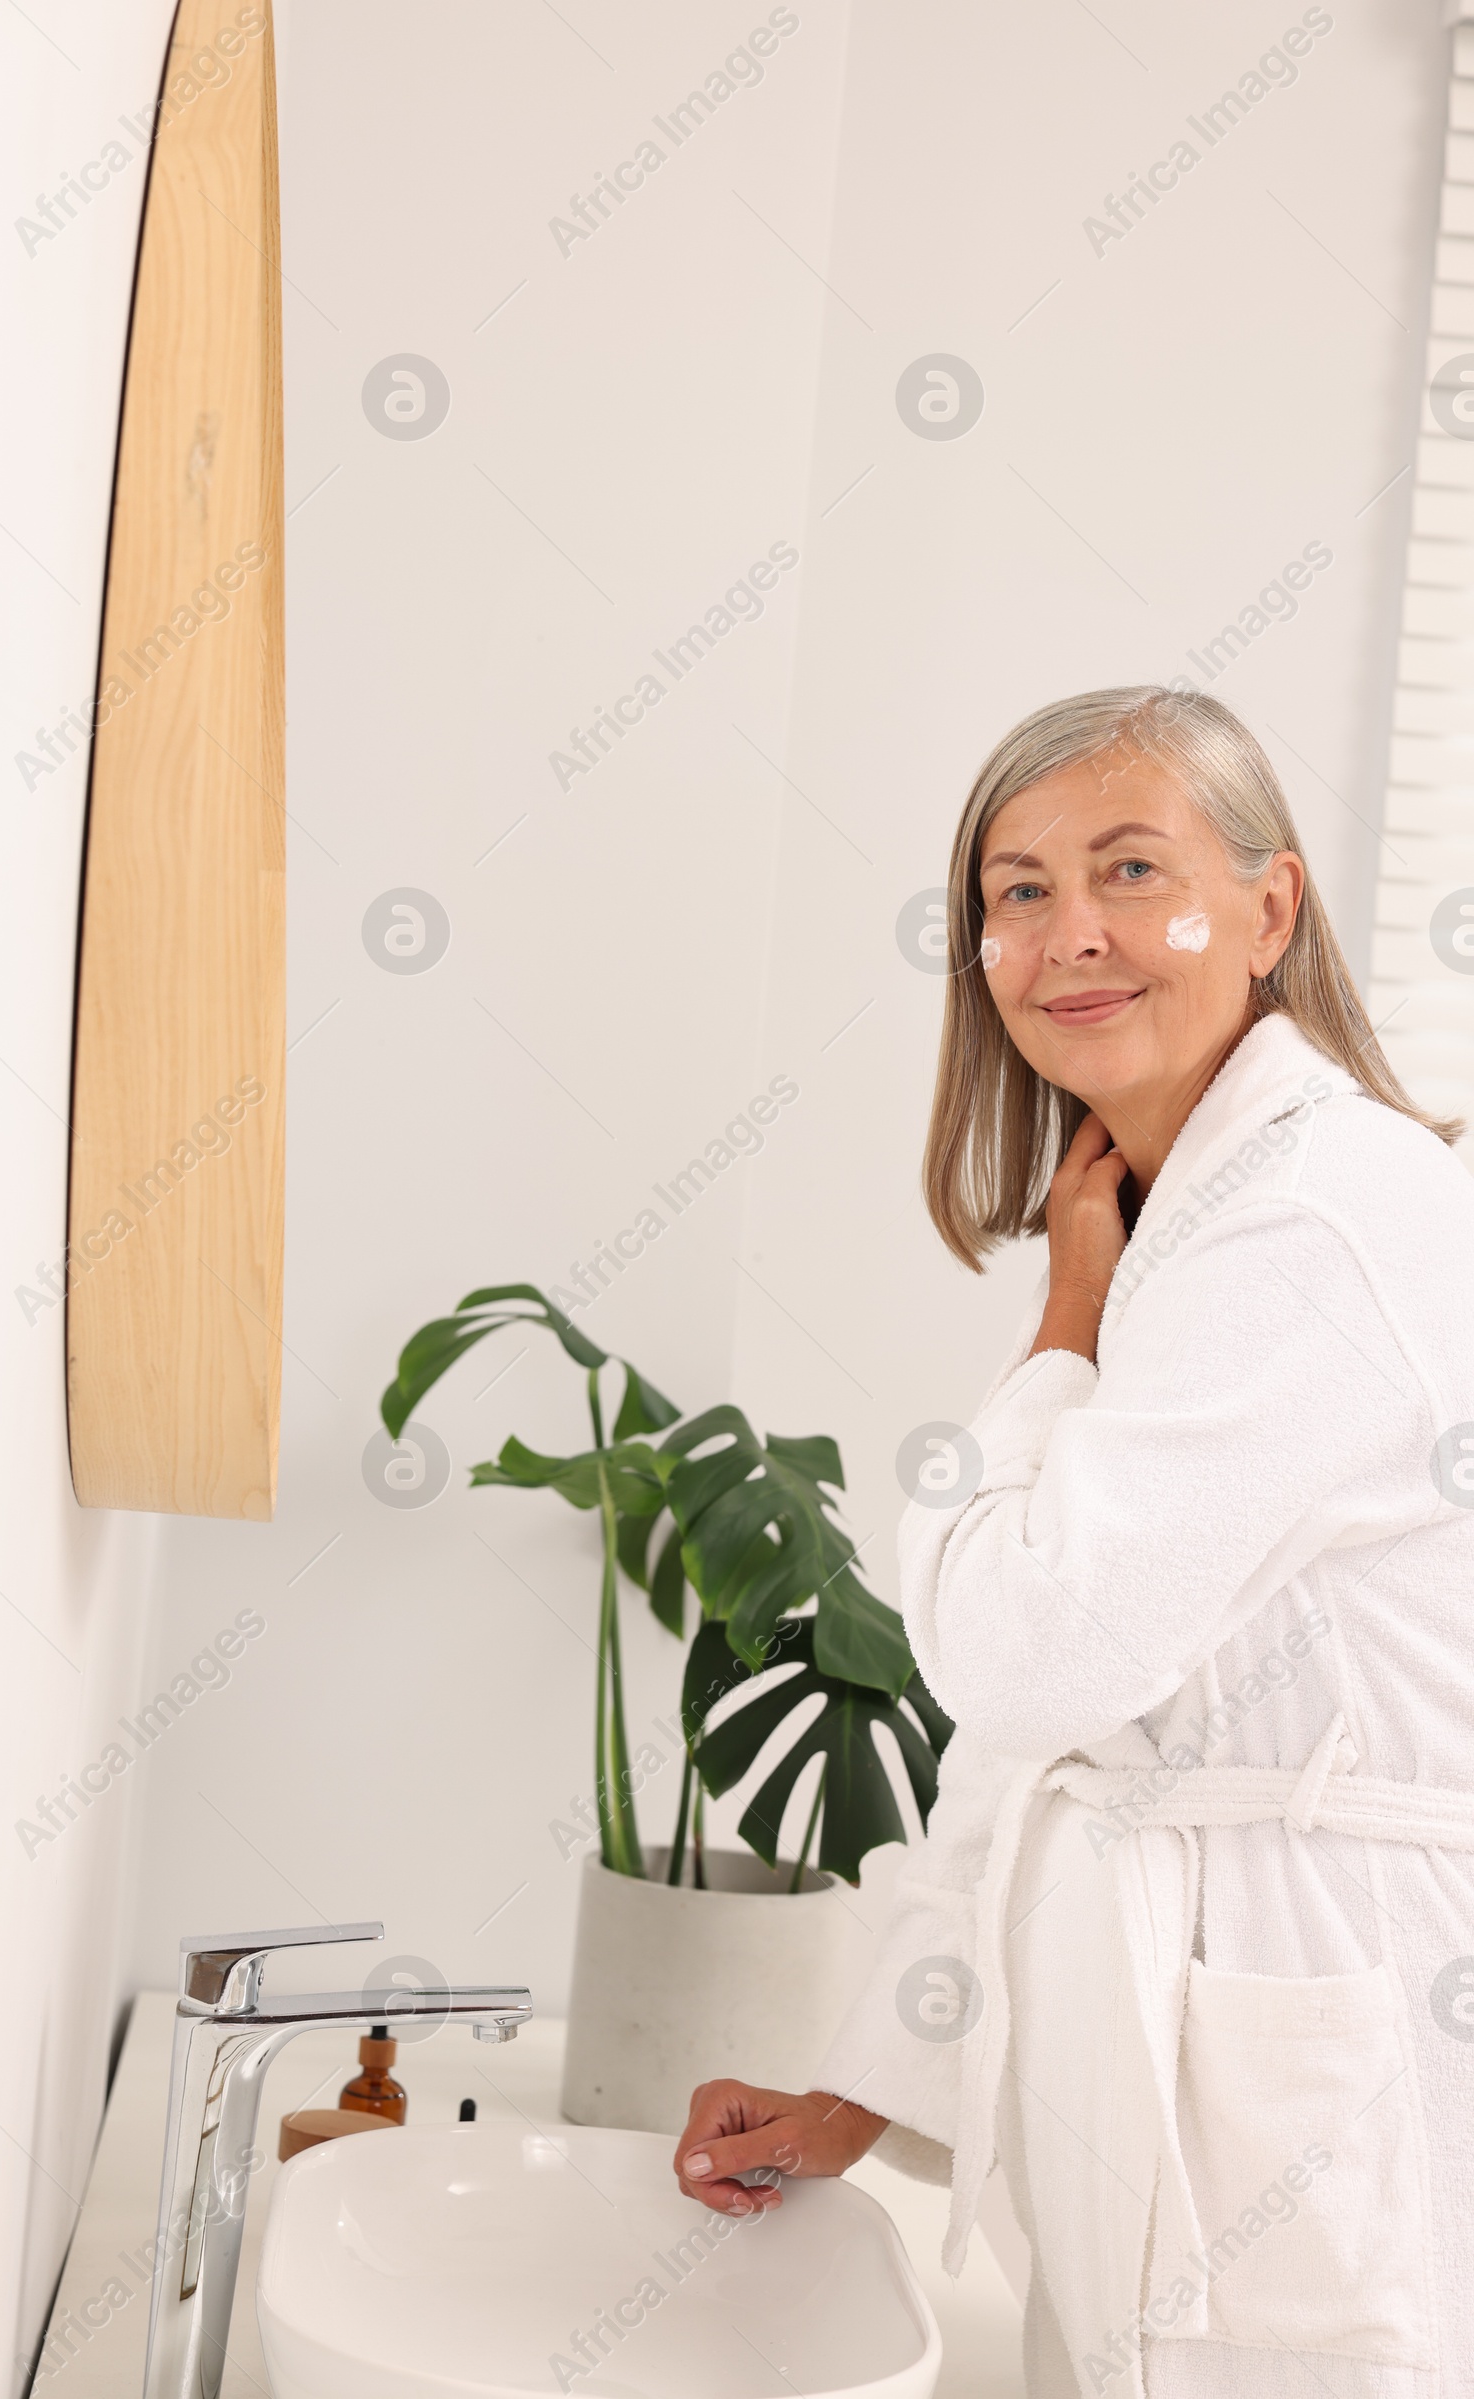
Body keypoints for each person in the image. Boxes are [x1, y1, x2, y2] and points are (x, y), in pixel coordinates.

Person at [671, 686, 1474, 2397]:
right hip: (1184, 2057)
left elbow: (1030, 1646)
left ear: (1271, 909)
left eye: (1129, 868)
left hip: (1318, 2040)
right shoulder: (1200, 1218)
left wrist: (1062, 1327)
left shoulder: (1314, 1227)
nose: (1071, 934)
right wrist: (865, 2088)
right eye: (1019, 889)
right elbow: (1052, 1746)